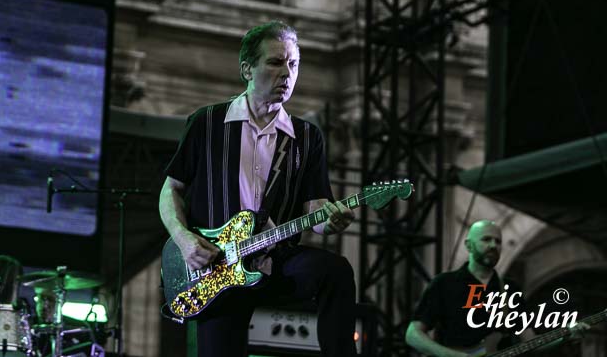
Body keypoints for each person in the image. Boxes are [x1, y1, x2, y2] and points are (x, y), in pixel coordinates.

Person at [159, 20, 357, 357]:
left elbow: (317, 211)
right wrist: (183, 237)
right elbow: (171, 190)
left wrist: (331, 220)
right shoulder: (207, 123)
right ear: (247, 69)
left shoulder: (307, 136)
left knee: (335, 271)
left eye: (293, 64)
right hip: (217, 267)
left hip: (276, 257)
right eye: (276, 62)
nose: (287, 73)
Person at [405, 220, 588, 357]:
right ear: (468, 245)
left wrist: (565, 335)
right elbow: (413, 334)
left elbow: (531, 342)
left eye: (498, 241)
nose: (493, 245)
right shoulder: (444, 284)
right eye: (486, 239)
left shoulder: (509, 289)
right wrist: (451, 355)